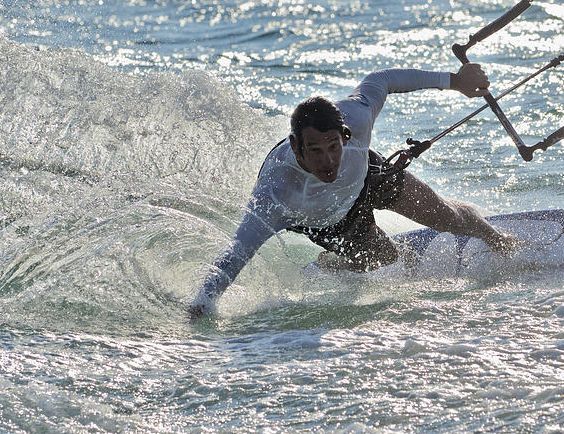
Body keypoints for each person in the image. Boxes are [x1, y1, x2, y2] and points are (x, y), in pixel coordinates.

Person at [189, 63, 522, 316]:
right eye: (314, 150)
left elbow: (382, 80)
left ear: (346, 136)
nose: (328, 160)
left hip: (367, 175)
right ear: (295, 145)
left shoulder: (356, 117)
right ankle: (332, 263)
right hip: (328, 219)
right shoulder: (275, 194)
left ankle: (501, 241)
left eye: (333, 146)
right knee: (384, 257)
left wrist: (455, 81)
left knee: (446, 217)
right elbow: (235, 254)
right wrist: (203, 305)